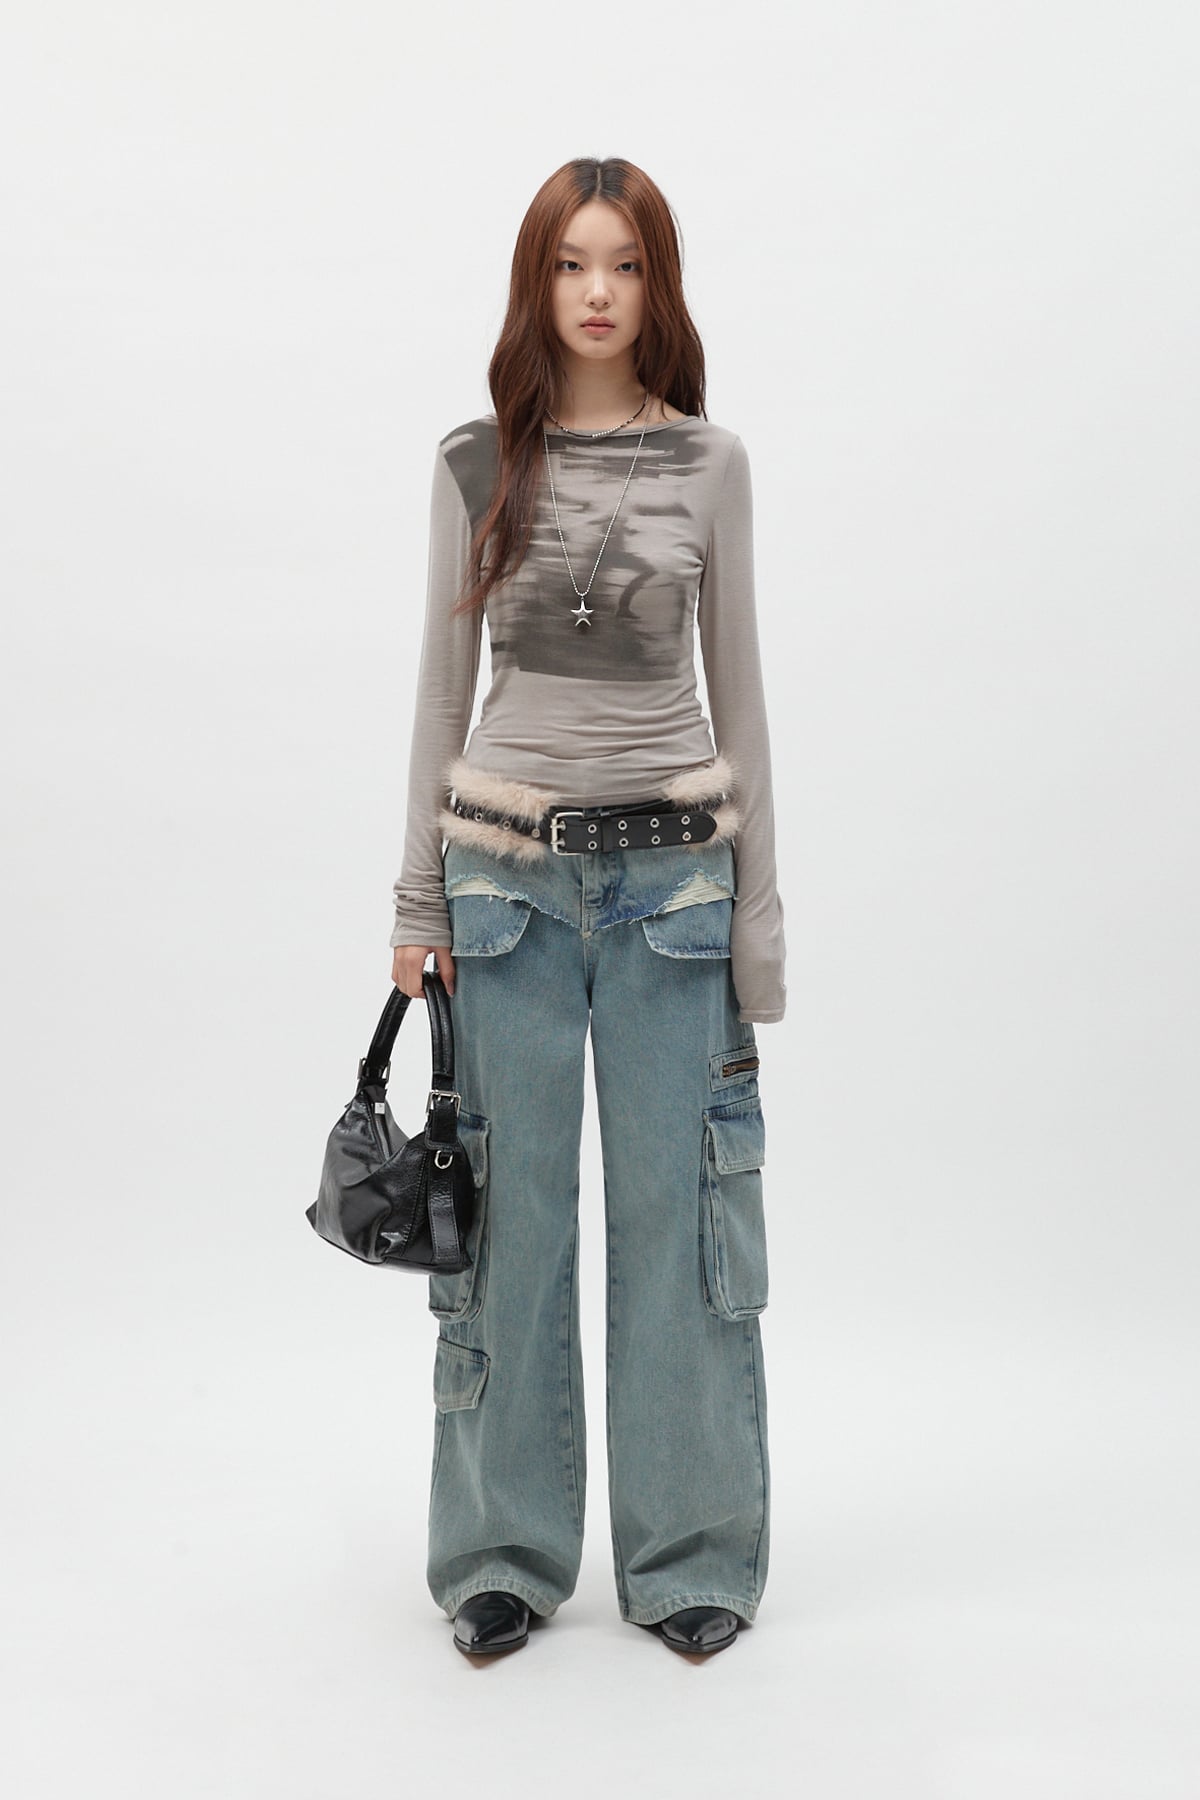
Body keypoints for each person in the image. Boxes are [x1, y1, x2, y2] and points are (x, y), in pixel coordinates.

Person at [389, 156, 786, 1659]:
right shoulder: (477, 462)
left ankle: (692, 1556)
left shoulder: (710, 463)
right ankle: (502, 1551)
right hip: (504, 894)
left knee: (681, 1224)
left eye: (624, 263)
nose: (599, 292)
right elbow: (441, 696)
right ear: (537, 282)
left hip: (677, 892)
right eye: (571, 264)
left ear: (657, 283)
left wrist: (761, 930)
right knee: (512, 1230)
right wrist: (416, 901)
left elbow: (742, 702)